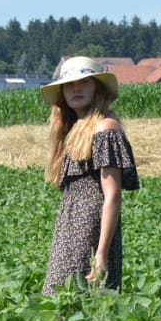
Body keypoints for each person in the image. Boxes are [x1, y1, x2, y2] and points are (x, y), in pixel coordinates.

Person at [40, 56, 139, 296]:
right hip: (70, 229)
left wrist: (101, 252)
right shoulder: (73, 128)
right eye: (69, 84)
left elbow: (113, 196)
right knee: (62, 300)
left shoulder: (105, 128)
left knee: (80, 300)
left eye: (84, 82)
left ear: (97, 87)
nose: (76, 89)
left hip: (91, 231)